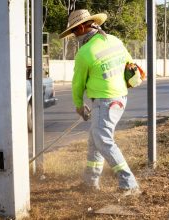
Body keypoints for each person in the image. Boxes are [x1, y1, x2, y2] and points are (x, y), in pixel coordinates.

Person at [59, 9, 140, 195]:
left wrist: (79, 106)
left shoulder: (85, 53)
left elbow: (77, 84)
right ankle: (90, 182)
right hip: (120, 98)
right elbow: (130, 64)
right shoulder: (114, 40)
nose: (73, 36)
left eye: (74, 31)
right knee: (95, 140)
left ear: (81, 27)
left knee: (103, 140)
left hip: (106, 102)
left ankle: (129, 183)